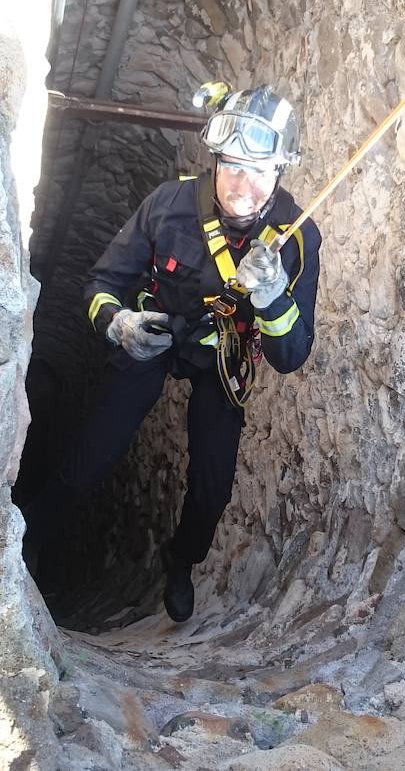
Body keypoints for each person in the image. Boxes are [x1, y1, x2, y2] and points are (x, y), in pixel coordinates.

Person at [22, 84, 322, 623]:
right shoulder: (170, 206)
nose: (243, 185)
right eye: (232, 165)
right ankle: (32, 533)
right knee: (96, 450)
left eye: (260, 170)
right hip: (156, 335)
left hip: (223, 358)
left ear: (281, 172)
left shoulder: (296, 239)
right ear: (214, 159)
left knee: (212, 485)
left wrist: (273, 294)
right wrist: (119, 324)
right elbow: (100, 284)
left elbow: (291, 354)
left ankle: (180, 559)